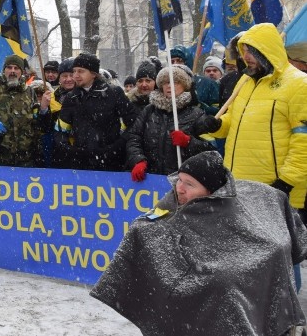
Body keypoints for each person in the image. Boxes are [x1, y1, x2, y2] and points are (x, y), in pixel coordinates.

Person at [92, 151, 307, 336]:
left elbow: (257, 243)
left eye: (189, 184)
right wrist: (141, 228)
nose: (180, 188)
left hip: (233, 286)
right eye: (180, 179)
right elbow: (157, 216)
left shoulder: (233, 209)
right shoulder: (175, 197)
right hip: (190, 283)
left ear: (211, 190)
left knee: (227, 291)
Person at [212, 22, 307, 214]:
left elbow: (303, 140)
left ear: (268, 50)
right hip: (238, 186)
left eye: (252, 51)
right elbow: (234, 120)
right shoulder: (246, 80)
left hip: (276, 190)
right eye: (244, 50)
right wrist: (216, 125)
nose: (245, 57)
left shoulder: (299, 84)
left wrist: (286, 182)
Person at [124, 67, 219, 181]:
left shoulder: (196, 114)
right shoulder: (149, 111)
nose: (169, 86)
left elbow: (210, 151)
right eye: (166, 82)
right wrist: (138, 160)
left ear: (185, 85)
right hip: (150, 179)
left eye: (175, 82)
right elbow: (134, 137)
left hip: (181, 181)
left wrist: (189, 142)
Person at [54, 53, 136, 171]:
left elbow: (133, 124)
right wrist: (71, 151)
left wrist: (115, 147)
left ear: (93, 74)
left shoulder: (114, 93)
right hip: (81, 164)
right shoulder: (71, 97)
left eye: (81, 71)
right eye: (74, 71)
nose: (75, 76)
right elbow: (60, 130)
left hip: (111, 163)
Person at [0, 55, 44, 167]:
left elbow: (37, 124)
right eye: (9, 67)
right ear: (4, 70)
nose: (12, 71)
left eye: (16, 68)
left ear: (21, 72)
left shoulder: (30, 93)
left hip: (26, 159)